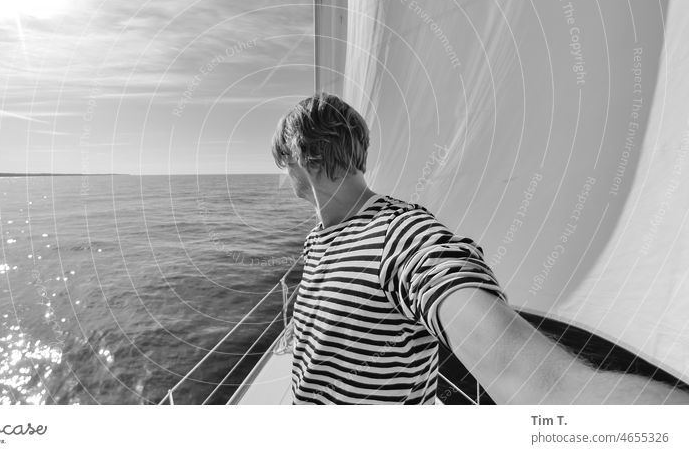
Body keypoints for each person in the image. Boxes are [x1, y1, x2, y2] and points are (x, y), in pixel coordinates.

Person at [271, 92, 689, 405]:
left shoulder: (400, 236)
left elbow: (540, 384)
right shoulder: (319, 239)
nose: (283, 178)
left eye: (284, 163)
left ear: (305, 159)